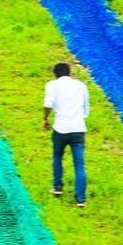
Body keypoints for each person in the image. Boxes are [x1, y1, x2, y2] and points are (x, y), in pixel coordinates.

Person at [43, 62, 89, 207]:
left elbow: (48, 104)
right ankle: (80, 199)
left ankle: (57, 187)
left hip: (60, 128)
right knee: (79, 165)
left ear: (55, 74)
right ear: (70, 73)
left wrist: (45, 119)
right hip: (78, 129)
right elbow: (86, 107)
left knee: (57, 156)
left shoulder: (52, 85)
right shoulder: (81, 86)